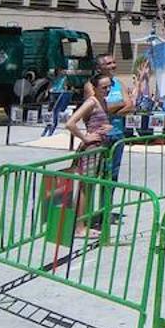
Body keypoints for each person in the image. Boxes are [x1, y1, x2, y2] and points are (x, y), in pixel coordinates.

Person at [63, 78, 113, 236]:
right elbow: (70, 123)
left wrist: (107, 127)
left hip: (100, 149)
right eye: (103, 87)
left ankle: (82, 222)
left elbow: (98, 122)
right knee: (85, 187)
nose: (107, 90)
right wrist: (85, 138)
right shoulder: (91, 102)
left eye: (109, 87)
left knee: (89, 187)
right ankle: (79, 226)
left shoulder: (102, 102)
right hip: (91, 149)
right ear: (95, 87)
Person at [93, 55, 135, 195]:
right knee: (93, 175)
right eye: (109, 63)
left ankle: (106, 209)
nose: (113, 66)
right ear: (100, 68)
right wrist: (121, 104)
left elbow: (130, 106)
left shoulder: (119, 83)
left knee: (112, 175)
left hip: (117, 136)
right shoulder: (93, 85)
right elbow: (97, 108)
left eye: (114, 62)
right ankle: (88, 212)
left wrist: (111, 109)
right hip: (99, 137)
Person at [41, 67, 71, 137]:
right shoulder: (54, 78)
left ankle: (51, 129)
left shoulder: (64, 78)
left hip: (59, 93)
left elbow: (65, 86)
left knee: (56, 111)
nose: (63, 72)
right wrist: (47, 91)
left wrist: (66, 88)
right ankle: (48, 127)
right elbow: (50, 85)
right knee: (51, 111)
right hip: (54, 93)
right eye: (61, 71)